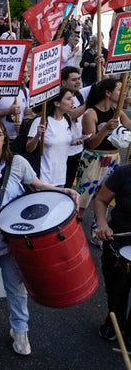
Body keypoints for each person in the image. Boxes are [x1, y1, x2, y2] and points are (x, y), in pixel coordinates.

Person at [0, 119, 78, 356]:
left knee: (15, 286)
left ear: (5, 139)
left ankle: (19, 329)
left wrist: (64, 190)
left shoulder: (17, 163)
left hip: (12, 237)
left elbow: (37, 185)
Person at [77, 78, 131, 245]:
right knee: (82, 200)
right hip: (94, 159)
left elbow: (129, 126)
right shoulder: (90, 113)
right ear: (108, 93)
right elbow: (92, 142)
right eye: (119, 90)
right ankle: (73, 233)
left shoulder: (117, 111)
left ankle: (97, 232)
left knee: (104, 198)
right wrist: (107, 128)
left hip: (113, 158)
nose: (122, 93)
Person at [95, 163, 131, 343]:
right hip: (119, 240)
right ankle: (115, 322)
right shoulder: (124, 172)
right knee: (117, 289)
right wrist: (102, 224)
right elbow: (101, 200)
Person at [25, 88, 76, 186]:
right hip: (43, 179)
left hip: (61, 178)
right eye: (69, 99)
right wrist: (37, 136)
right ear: (57, 103)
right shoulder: (41, 121)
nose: (72, 102)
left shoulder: (67, 120)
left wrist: (74, 141)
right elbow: (29, 149)